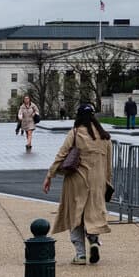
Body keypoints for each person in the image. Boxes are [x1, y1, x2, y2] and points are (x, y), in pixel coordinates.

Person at [43, 103, 113, 265]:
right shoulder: (104, 137)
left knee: (74, 215)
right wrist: (107, 183)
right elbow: (108, 165)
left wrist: (49, 176)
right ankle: (94, 241)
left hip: (76, 180)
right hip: (97, 181)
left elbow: (61, 156)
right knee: (93, 214)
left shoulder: (75, 133)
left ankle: (80, 254)